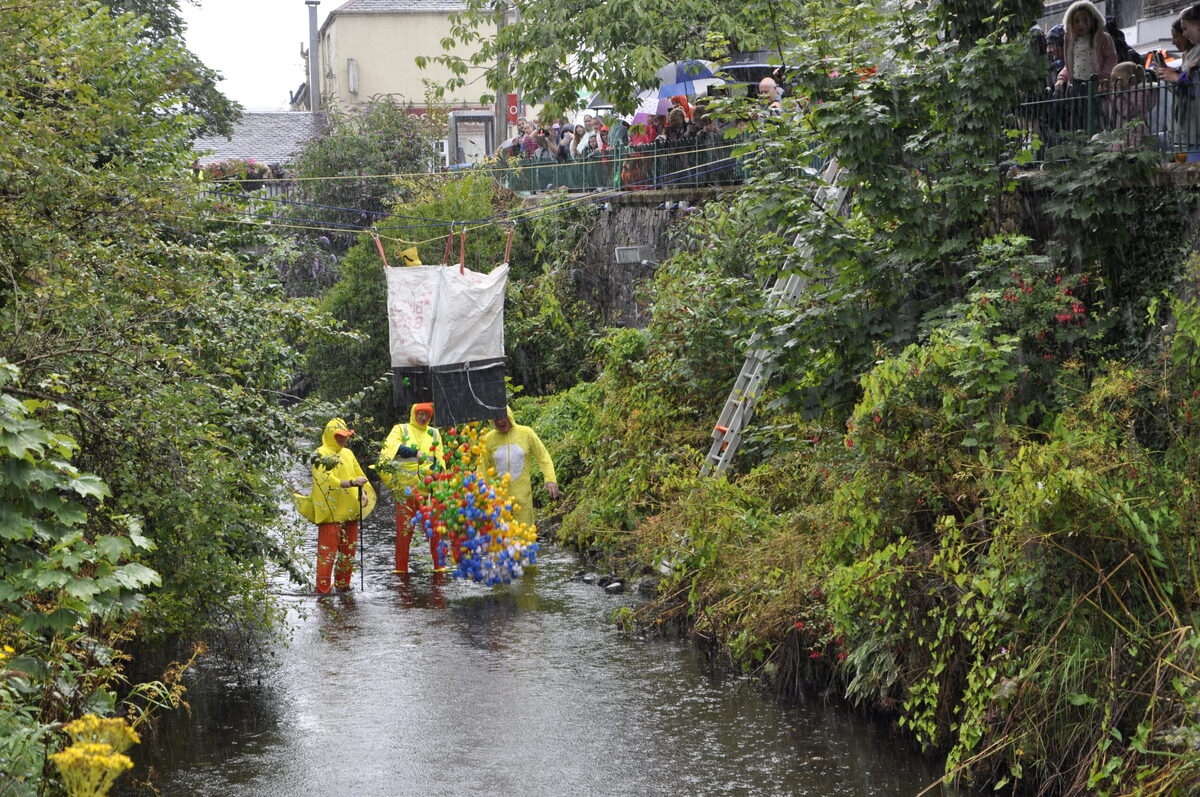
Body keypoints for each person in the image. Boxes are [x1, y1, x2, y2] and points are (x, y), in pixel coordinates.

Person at [304, 418, 375, 594]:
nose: (343, 440)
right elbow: (325, 480)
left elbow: (359, 474)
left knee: (348, 553)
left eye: (345, 436)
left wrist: (363, 491)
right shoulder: (320, 454)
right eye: (339, 436)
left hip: (351, 511)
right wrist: (350, 483)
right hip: (330, 514)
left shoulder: (348, 454)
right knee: (327, 555)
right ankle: (323, 591)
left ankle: (343, 587)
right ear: (330, 436)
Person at [378, 402, 448, 572]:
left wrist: (437, 474)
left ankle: (440, 567)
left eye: (427, 415)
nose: (423, 418)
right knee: (404, 533)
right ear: (413, 414)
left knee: (435, 532)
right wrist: (412, 452)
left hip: (428, 494)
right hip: (405, 492)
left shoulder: (435, 433)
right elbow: (390, 449)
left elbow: (440, 459)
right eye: (420, 414)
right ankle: (401, 569)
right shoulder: (401, 429)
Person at [480, 407, 559, 531]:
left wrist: (550, 479)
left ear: (509, 415)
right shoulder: (488, 439)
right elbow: (482, 467)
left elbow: (543, 456)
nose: (500, 421)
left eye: (503, 416)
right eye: (496, 418)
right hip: (498, 498)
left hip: (522, 498)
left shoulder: (526, 433)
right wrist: (480, 492)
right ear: (492, 421)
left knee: (525, 537)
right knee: (501, 538)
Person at [1153, 4, 1200, 160]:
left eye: (1185, 29)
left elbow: (1194, 86)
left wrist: (1178, 78)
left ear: (1198, 25)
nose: (1184, 34)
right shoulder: (1193, 53)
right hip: (1189, 130)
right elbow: (1186, 89)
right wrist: (1172, 77)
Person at [1054, 1, 1117, 91]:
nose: (1081, 24)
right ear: (1071, 23)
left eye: (1085, 20)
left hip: (1097, 83)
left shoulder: (1103, 38)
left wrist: (1104, 76)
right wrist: (1062, 78)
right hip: (1076, 85)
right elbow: (1070, 65)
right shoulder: (1071, 41)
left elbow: (1111, 58)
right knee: (1078, 105)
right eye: (1077, 21)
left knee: (1095, 104)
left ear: (1092, 20)